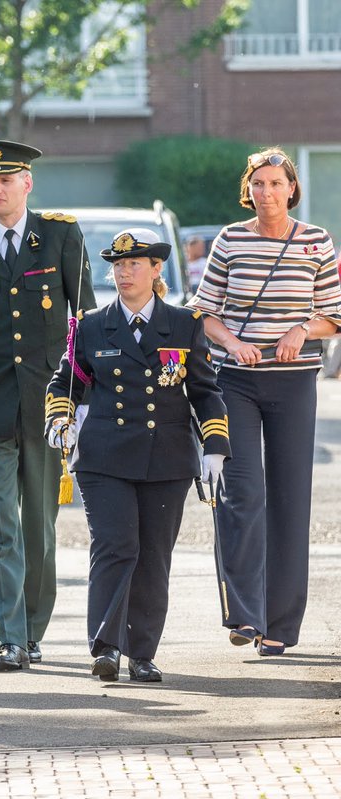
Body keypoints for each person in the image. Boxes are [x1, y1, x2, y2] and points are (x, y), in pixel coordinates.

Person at [45, 229, 231, 682]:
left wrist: (215, 446)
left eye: (134, 263)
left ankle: (142, 652)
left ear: (155, 270)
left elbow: (204, 391)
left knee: (153, 556)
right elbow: (65, 381)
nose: (124, 272)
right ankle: (106, 647)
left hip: (166, 458)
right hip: (105, 457)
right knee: (115, 546)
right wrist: (59, 418)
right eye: (118, 264)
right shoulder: (91, 325)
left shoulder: (185, 324)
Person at [0, 140, 96, 671]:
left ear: (27, 183)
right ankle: (8, 634)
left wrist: (82, 399)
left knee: (40, 528)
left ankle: (32, 629)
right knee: (0, 523)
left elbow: (85, 322)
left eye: (6, 179)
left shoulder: (58, 235)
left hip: (47, 404)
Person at [187, 147, 341, 656]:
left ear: (291, 189)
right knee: (243, 493)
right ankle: (245, 614)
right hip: (239, 381)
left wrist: (302, 328)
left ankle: (280, 627)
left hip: (295, 382)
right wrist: (232, 343)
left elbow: (334, 316)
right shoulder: (230, 240)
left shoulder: (316, 241)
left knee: (290, 501)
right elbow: (204, 313)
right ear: (247, 190)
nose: (267, 193)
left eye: (276, 184)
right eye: (258, 184)